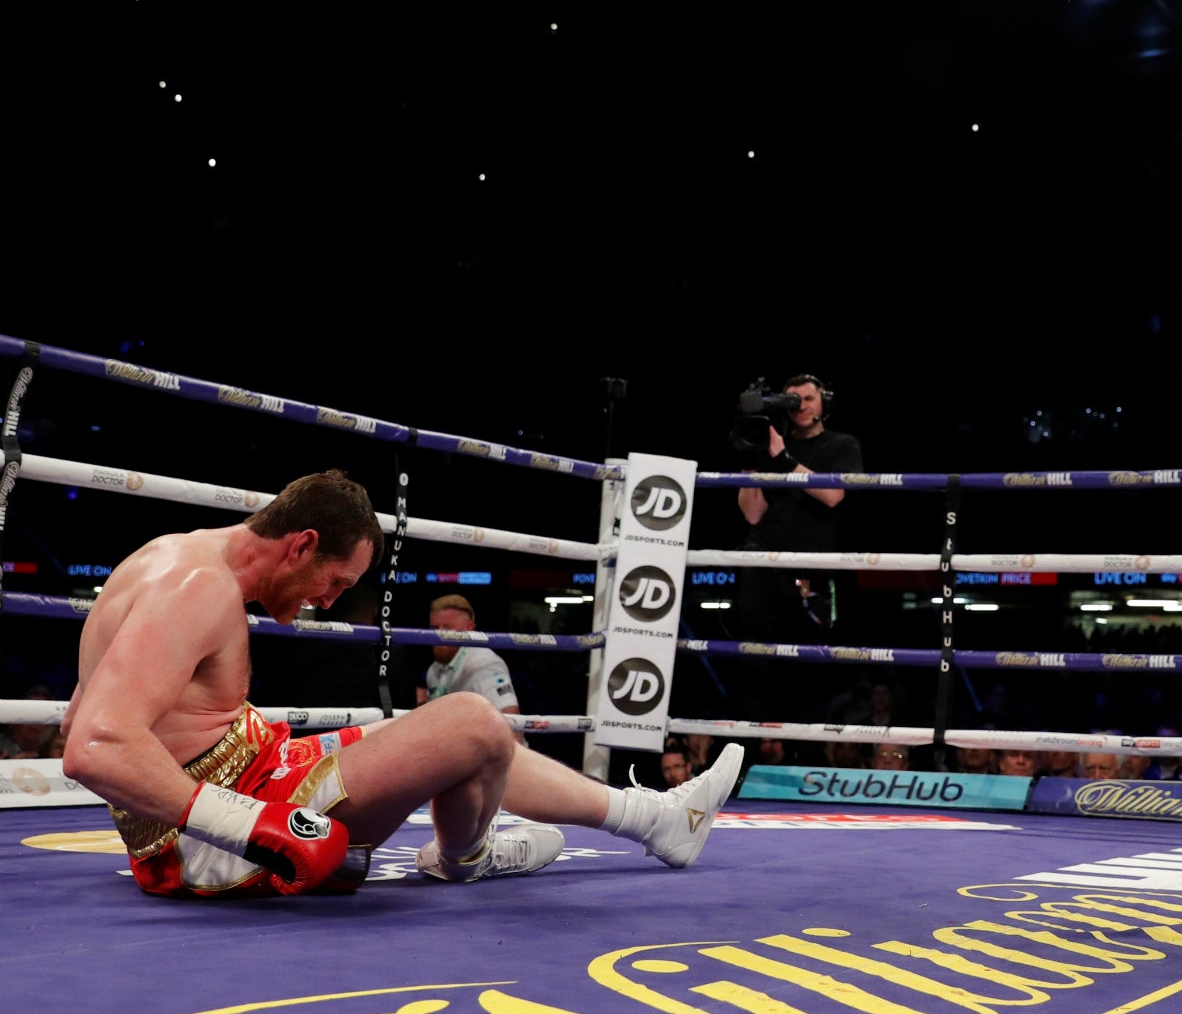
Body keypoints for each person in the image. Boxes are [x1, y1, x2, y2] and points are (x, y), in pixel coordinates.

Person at [60, 470, 745, 898]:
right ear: (300, 544)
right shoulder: (197, 590)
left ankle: (655, 821)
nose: (328, 602)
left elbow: (79, 715)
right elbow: (92, 746)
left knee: (436, 737)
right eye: (335, 582)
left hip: (249, 774)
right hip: (207, 843)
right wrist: (251, 824)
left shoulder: (170, 558)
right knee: (471, 721)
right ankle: (467, 855)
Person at [734, 374, 863, 637]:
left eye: (808, 399)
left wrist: (785, 460)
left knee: (810, 655)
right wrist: (749, 464)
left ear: (824, 402)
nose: (801, 406)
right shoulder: (771, 445)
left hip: (810, 567)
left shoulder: (842, 444)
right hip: (764, 563)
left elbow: (833, 496)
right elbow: (752, 514)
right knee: (756, 654)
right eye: (793, 401)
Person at [418, 594, 525, 745]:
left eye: (447, 628)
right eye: (435, 628)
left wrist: (510, 767)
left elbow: (512, 723)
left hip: (490, 759)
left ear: (469, 629)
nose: (439, 635)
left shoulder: (483, 664)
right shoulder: (434, 670)